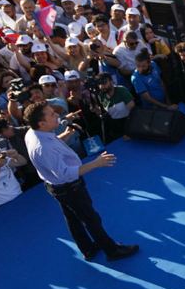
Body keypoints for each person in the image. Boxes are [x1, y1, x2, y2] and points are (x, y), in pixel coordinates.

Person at [22, 102, 138, 261]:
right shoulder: (43, 147)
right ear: (41, 123)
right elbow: (65, 174)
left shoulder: (33, 132)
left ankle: (88, 249)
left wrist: (66, 135)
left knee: (73, 219)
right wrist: (96, 163)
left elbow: (53, 144)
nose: (57, 115)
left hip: (56, 186)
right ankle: (112, 251)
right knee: (91, 219)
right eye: (52, 115)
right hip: (69, 187)